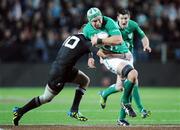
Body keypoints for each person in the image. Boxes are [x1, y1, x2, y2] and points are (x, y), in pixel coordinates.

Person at [12, 31, 96, 126]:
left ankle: (74, 110)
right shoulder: (84, 42)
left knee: (85, 80)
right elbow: (94, 45)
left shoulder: (75, 37)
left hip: (65, 69)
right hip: (60, 73)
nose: (93, 34)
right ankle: (20, 111)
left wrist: (90, 56)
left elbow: (87, 48)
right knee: (46, 98)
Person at [97, 8, 152, 126]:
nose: (124, 21)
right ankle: (126, 116)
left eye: (126, 18)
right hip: (115, 58)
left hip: (127, 57)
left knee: (120, 87)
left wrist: (146, 45)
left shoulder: (132, 25)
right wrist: (101, 55)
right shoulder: (111, 28)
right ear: (117, 18)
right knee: (132, 82)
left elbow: (143, 36)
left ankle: (104, 94)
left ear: (129, 18)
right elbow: (101, 44)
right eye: (121, 18)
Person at [83, 7, 137, 122]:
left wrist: (100, 41)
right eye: (94, 21)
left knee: (121, 87)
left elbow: (118, 40)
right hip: (110, 57)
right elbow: (85, 44)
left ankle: (104, 94)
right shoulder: (87, 30)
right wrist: (91, 56)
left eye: (99, 19)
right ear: (89, 21)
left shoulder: (109, 22)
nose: (98, 22)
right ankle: (123, 109)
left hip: (125, 54)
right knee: (132, 76)